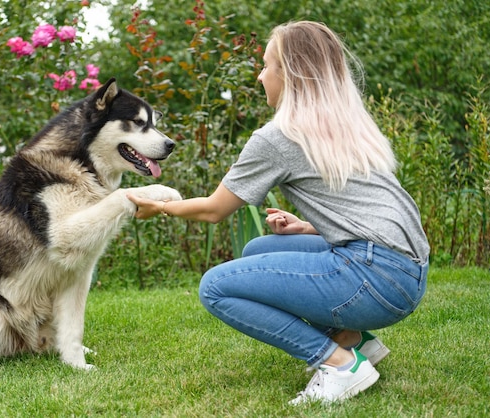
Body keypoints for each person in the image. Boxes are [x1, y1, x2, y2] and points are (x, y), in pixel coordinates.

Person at [127, 20, 429, 404]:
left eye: (267, 65)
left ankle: (339, 364)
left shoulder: (278, 137)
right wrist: (306, 227)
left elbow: (213, 210)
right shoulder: (345, 125)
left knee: (215, 288)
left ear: (290, 74)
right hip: (407, 275)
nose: (259, 75)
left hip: (375, 281)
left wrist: (162, 206)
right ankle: (355, 340)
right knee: (258, 250)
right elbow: (374, 213)